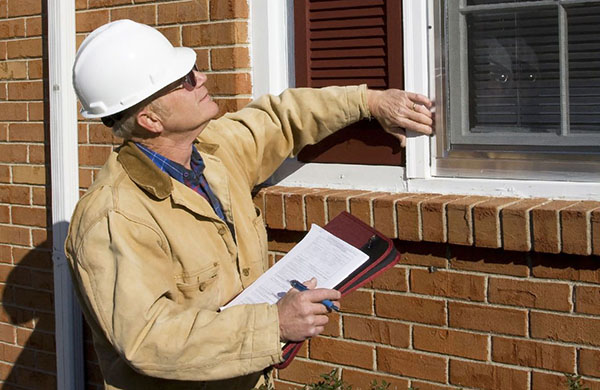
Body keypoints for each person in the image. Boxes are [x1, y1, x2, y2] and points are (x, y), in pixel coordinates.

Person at [66, 19, 433, 390]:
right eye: (185, 79)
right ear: (150, 119)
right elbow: (148, 339)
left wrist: (369, 101)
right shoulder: (114, 217)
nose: (202, 77)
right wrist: (274, 324)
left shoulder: (214, 152)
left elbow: (283, 119)